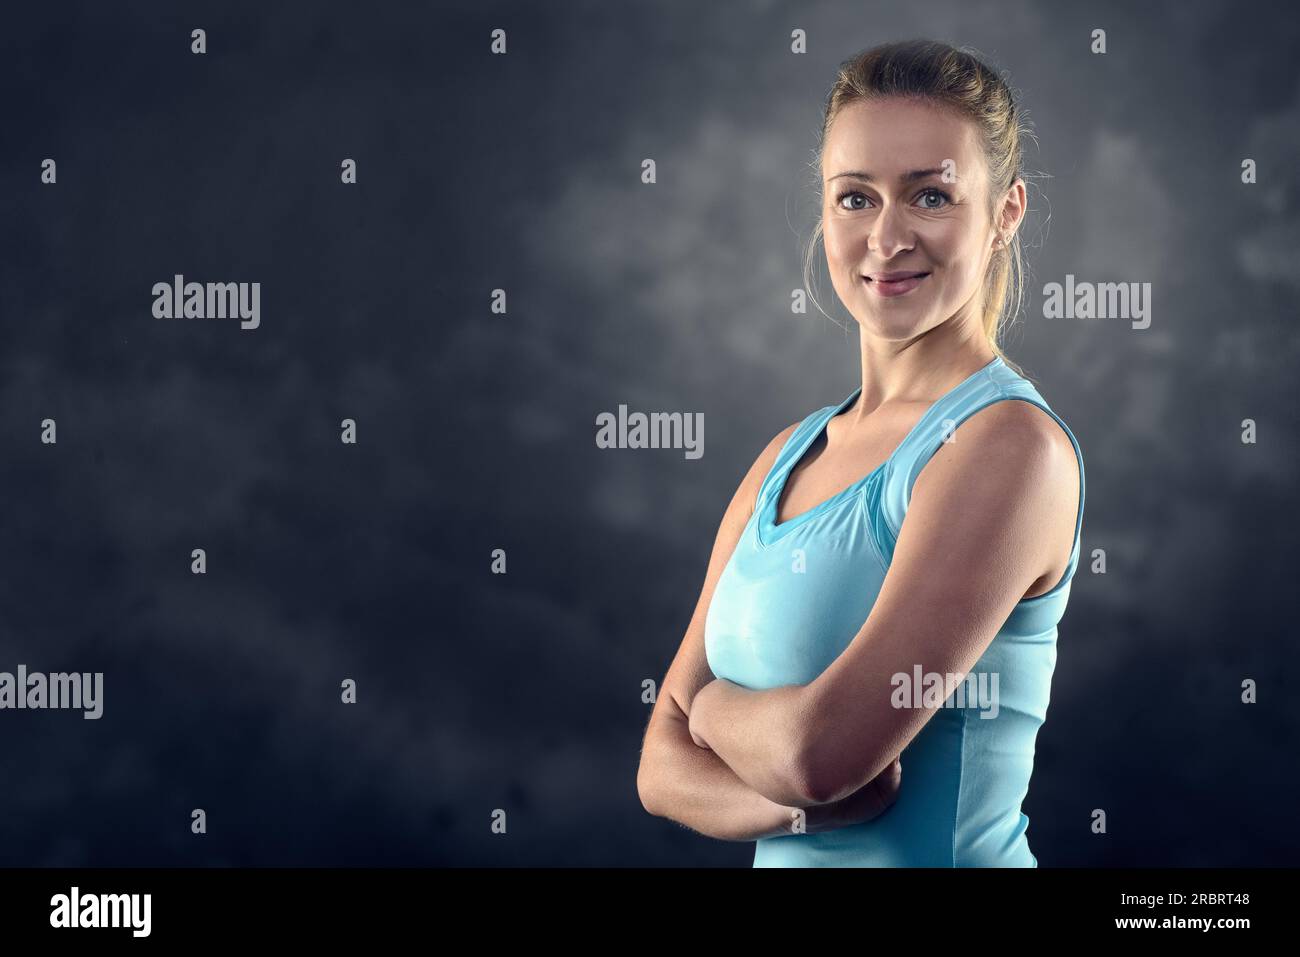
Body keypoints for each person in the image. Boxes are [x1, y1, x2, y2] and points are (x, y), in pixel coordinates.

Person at [636, 39, 1086, 866]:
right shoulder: (789, 453)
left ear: (1007, 212)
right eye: (855, 198)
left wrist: (709, 713)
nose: (887, 237)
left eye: (932, 196)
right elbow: (659, 771)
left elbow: (820, 756)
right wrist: (802, 810)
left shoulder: (1011, 448)